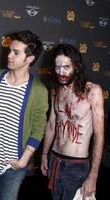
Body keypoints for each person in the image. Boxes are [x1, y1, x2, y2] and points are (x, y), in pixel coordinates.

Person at [0, 30, 49, 200]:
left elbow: (38, 129)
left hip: (14, 165)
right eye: (10, 50)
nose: (9, 55)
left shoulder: (39, 91)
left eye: (16, 52)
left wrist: (24, 160)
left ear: (29, 59)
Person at [40, 44, 104, 200]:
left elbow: (99, 136)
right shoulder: (55, 90)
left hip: (77, 166)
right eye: (57, 67)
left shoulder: (92, 91)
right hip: (55, 160)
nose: (61, 72)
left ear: (76, 66)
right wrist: (44, 154)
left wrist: (93, 175)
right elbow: (50, 126)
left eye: (66, 67)